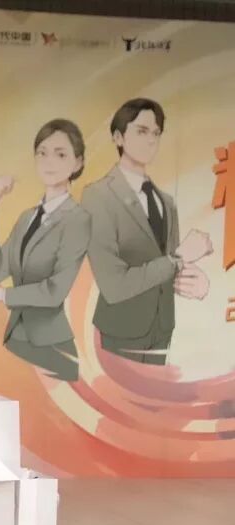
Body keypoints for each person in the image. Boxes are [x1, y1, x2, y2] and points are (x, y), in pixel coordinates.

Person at [83, 98, 212, 365]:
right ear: (118, 137)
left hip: (162, 327)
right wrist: (179, 258)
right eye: (141, 131)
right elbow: (113, 285)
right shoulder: (98, 195)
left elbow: (167, 267)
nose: (151, 140)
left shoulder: (166, 202)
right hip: (121, 330)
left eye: (156, 133)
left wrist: (195, 281)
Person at [0, 119, 92, 381]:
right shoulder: (27, 218)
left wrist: (3, 295)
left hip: (51, 347)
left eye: (60, 154)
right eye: (42, 153)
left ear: (77, 163)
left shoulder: (77, 219)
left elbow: (54, 291)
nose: (49, 161)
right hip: (16, 340)